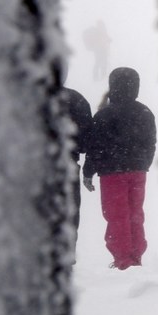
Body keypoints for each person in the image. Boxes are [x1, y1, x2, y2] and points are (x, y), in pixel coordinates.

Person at [82, 67, 157, 270]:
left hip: (111, 172)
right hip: (138, 171)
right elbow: (151, 142)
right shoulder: (144, 111)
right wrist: (144, 163)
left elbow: (94, 147)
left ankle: (122, 260)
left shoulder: (104, 115)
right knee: (135, 213)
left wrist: (88, 171)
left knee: (117, 216)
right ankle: (135, 256)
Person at [61, 75, 93, 260]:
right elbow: (87, 136)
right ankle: (67, 250)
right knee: (70, 208)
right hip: (69, 160)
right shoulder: (76, 99)